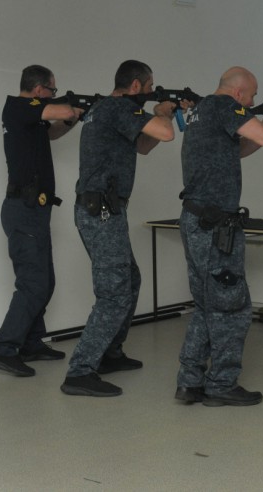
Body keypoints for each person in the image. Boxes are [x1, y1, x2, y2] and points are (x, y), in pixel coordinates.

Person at [174, 66, 263, 407]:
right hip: (215, 227)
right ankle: (221, 384)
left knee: (206, 305)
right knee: (232, 307)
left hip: (197, 219)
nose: (252, 102)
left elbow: (238, 149)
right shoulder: (226, 105)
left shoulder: (202, 110)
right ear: (239, 93)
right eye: (252, 96)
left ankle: (189, 382)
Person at [61, 60, 177, 397]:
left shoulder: (105, 110)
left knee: (130, 279)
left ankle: (110, 353)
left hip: (104, 209)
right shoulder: (117, 107)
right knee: (114, 293)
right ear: (136, 85)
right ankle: (80, 372)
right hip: (100, 211)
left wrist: (162, 116)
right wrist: (163, 112)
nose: (151, 91)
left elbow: (143, 145)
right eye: (150, 85)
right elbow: (165, 133)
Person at [0, 65, 83, 377]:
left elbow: (53, 131)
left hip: (35, 212)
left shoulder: (33, 118)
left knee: (45, 281)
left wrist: (72, 118)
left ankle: (31, 342)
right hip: (23, 210)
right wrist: (70, 106)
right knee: (33, 283)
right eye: (52, 90)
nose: (54, 94)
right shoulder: (18, 106)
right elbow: (59, 110)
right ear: (39, 90)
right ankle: (3, 349)